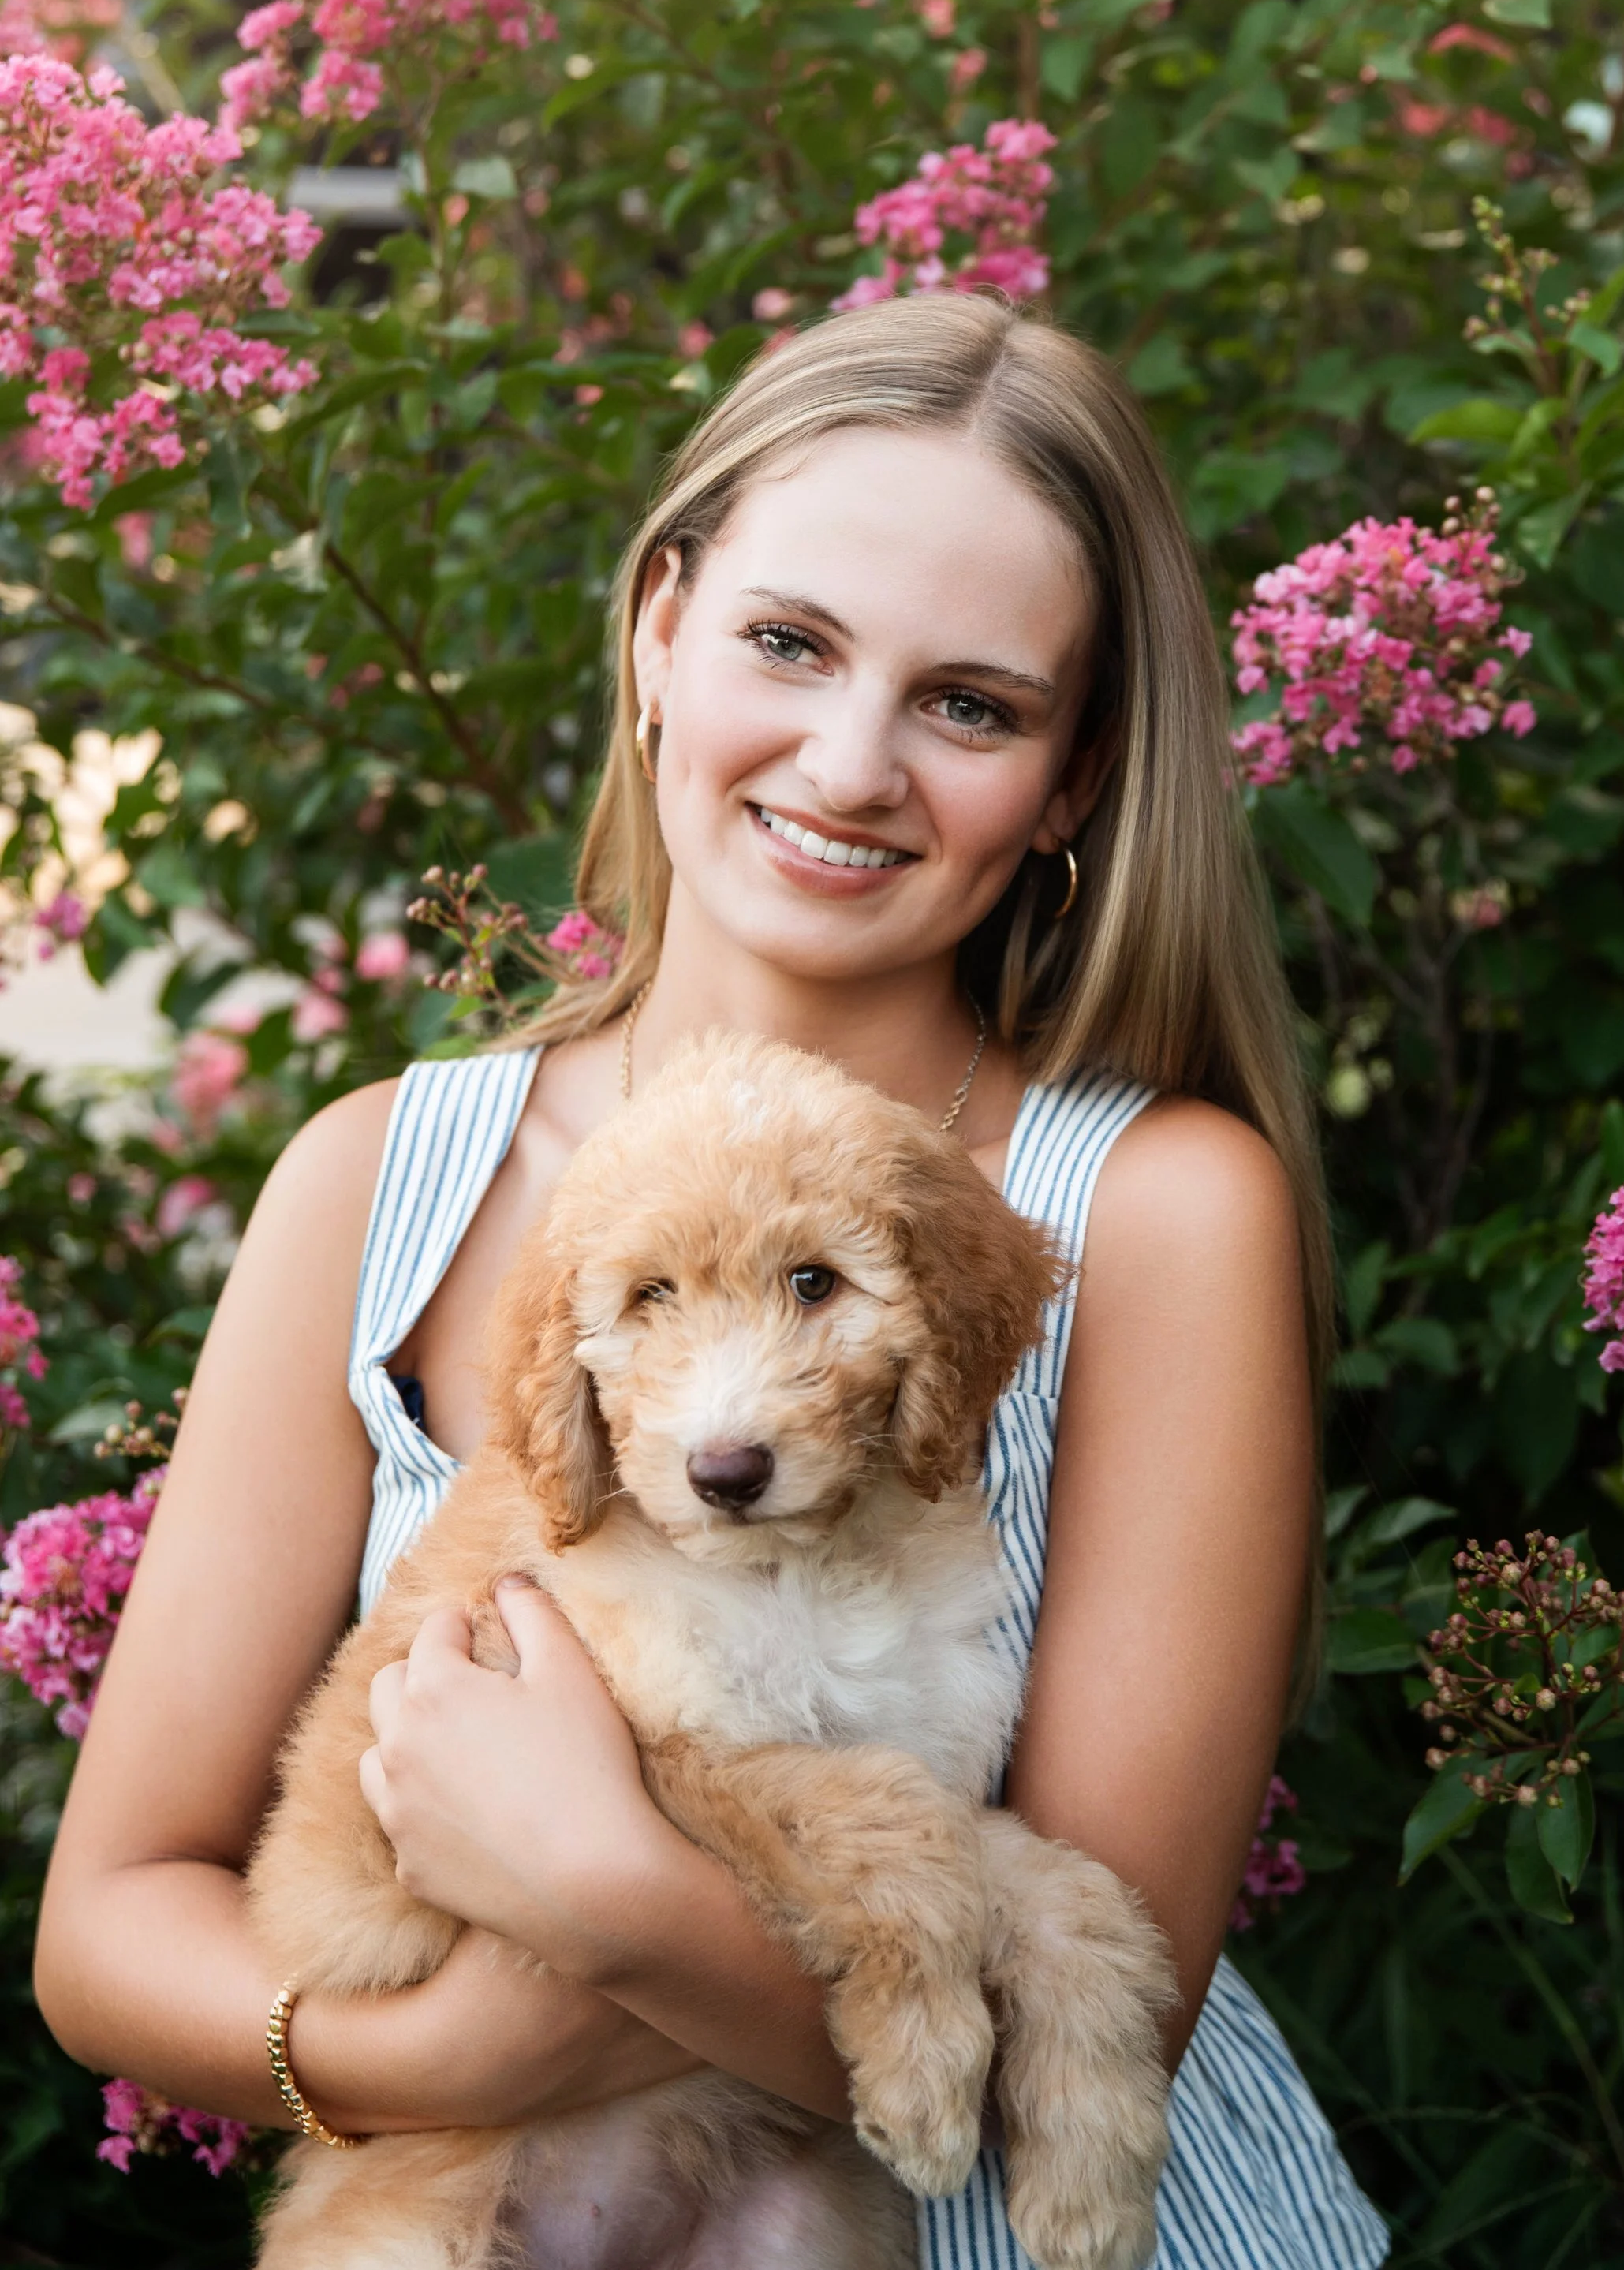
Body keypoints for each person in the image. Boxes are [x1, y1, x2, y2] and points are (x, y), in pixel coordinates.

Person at [34, 292, 1387, 2268]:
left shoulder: (1154, 1207)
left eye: (971, 704)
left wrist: (605, 1899)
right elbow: (108, 1928)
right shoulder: (377, 1185)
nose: (848, 764)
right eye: (788, 642)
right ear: (661, 627)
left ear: (1074, 778)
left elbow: (1104, 2015)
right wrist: (444, 2062)